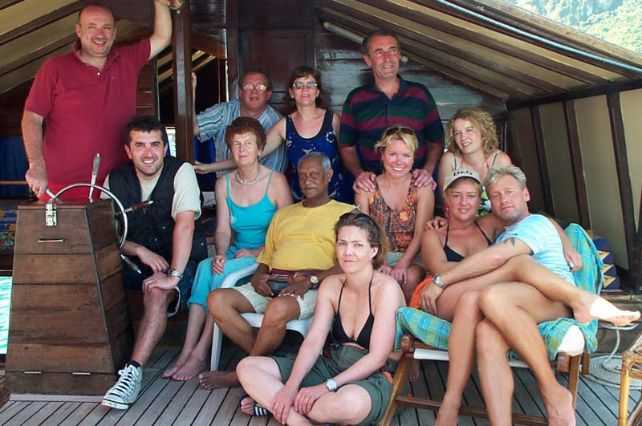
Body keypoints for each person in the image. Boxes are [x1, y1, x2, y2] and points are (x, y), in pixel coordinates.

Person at [416, 165, 639, 425]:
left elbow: (508, 248)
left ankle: (552, 386)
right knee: (486, 330)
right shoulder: (501, 231)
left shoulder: (530, 224)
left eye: (509, 192)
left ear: (526, 194)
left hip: (551, 297)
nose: (503, 199)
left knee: (499, 287)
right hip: (517, 298)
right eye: (496, 195)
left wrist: (566, 244)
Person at [236, 211, 406, 425]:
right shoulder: (331, 285)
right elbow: (314, 341)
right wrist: (290, 388)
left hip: (372, 375)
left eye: (357, 245)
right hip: (330, 363)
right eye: (342, 243)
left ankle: (272, 404)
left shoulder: (386, 288)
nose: (348, 252)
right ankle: (298, 419)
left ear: (373, 250)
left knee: (348, 404)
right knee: (247, 367)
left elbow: (378, 357)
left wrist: (326, 387)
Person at [204, 152, 354, 390]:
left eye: (314, 174)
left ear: (329, 176)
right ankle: (266, 363)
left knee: (278, 308)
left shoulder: (347, 214)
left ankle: (241, 372)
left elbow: (350, 262)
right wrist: (258, 277)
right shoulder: (284, 214)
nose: (307, 181)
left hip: (314, 286)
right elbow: (266, 257)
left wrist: (311, 281)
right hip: (273, 282)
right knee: (217, 300)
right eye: (302, 175)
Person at [162, 117, 292, 381]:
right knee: (205, 267)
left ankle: (201, 352)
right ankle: (186, 351)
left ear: (260, 148)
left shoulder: (276, 181)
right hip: (237, 251)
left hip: (266, 255)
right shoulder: (224, 183)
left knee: (221, 275)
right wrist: (221, 253)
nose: (242, 149)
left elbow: (288, 231)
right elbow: (222, 230)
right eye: (236, 143)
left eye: (248, 143)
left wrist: (257, 252)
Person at [100, 115, 207, 410]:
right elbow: (106, 232)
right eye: (140, 145)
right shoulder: (114, 179)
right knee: (93, 282)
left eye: (155, 145)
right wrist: (138, 249)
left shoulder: (181, 171)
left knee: (157, 291)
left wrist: (174, 274)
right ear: (128, 150)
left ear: (165, 147)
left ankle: (131, 374)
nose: (148, 153)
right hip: (137, 260)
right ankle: (85, 368)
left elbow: (185, 225)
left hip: (182, 260)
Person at [22, 1, 177, 199]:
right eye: (92, 27)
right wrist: (36, 165)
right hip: (60, 187)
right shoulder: (54, 68)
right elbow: (32, 117)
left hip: (117, 185)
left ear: (114, 32)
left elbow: (163, 37)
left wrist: (160, 2)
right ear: (78, 30)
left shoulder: (127, 59)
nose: (100, 34)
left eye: (106, 27)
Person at [339, 29, 444, 193]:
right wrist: (360, 174)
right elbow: (346, 147)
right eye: (379, 52)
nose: (388, 58)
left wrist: (427, 171)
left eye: (392, 50)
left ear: (399, 55)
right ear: (368, 60)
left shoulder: (420, 94)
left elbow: (436, 141)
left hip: (417, 188)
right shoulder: (356, 99)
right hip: (372, 189)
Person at [355, 126, 433, 301]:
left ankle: (405, 317)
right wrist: (380, 262)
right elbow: (363, 232)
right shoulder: (367, 187)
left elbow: (421, 233)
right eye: (392, 154)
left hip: (413, 255)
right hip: (375, 254)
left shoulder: (422, 187)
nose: (399, 161)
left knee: (409, 278)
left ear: (413, 158)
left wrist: (402, 265)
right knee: (375, 279)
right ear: (382, 155)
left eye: (406, 155)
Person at [257, 65, 352, 202]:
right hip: (300, 201)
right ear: (291, 92)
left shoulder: (333, 120)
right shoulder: (284, 125)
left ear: (317, 92)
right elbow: (253, 153)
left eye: (311, 85)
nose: (305, 89)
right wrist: (221, 165)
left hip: (336, 199)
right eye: (299, 85)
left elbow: (348, 153)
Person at [192, 68, 286, 175]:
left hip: (262, 185)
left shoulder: (278, 123)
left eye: (260, 87)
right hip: (224, 182)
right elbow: (193, 129)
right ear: (240, 92)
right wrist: (190, 94)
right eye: (248, 86)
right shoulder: (224, 111)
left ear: (268, 94)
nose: (254, 91)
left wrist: (210, 167)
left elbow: (273, 175)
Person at [438, 107, 511, 214]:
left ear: (483, 133)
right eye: (457, 133)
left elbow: (508, 205)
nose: (463, 137)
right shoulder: (449, 160)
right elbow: (447, 206)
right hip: (460, 221)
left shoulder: (500, 160)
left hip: (497, 221)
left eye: (469, 130)